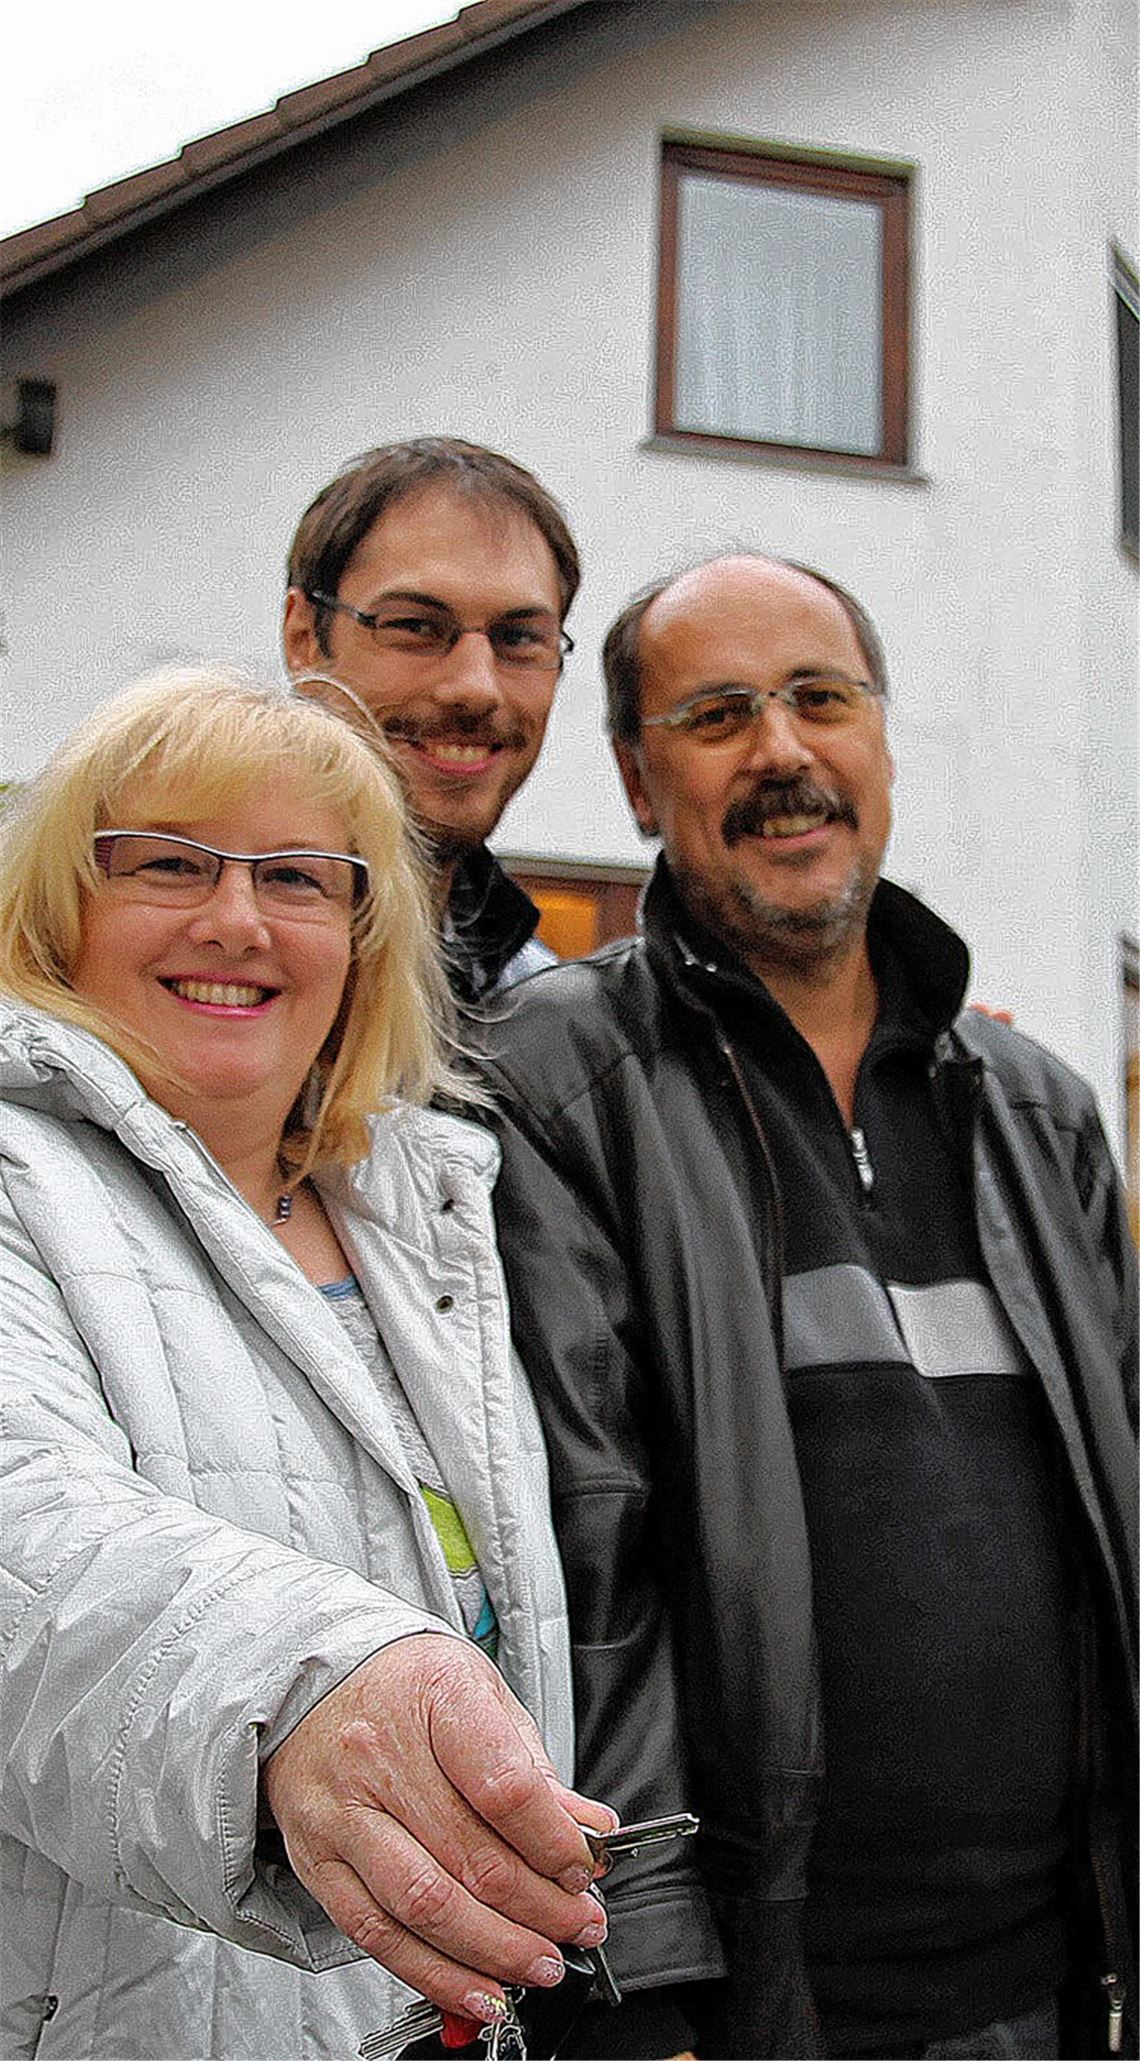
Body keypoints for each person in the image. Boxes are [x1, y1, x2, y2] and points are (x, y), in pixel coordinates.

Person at [476, 555, 1138, 2060]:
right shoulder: (551, 1087)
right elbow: (584, 1564)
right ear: (637, 781)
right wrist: (641, 1988)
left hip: (1056, 1987)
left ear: (881, 738)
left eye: (821, 699)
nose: (782, 751)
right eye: (718, 716)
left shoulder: (1038, 1112)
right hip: (768, 2005)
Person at [0, 668, 615, 2061]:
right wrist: (302, 1685)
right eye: (168, 863)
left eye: (295, 877)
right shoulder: (17, 1173)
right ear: (61, 906)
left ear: (360, 935)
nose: (236, 919)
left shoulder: (428, 1215)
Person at [283, 436, 579, 1000]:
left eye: (518, 638)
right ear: (304, 638)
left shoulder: (534, 1007)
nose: (475, 688)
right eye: (416, 626)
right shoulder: (174, 970)